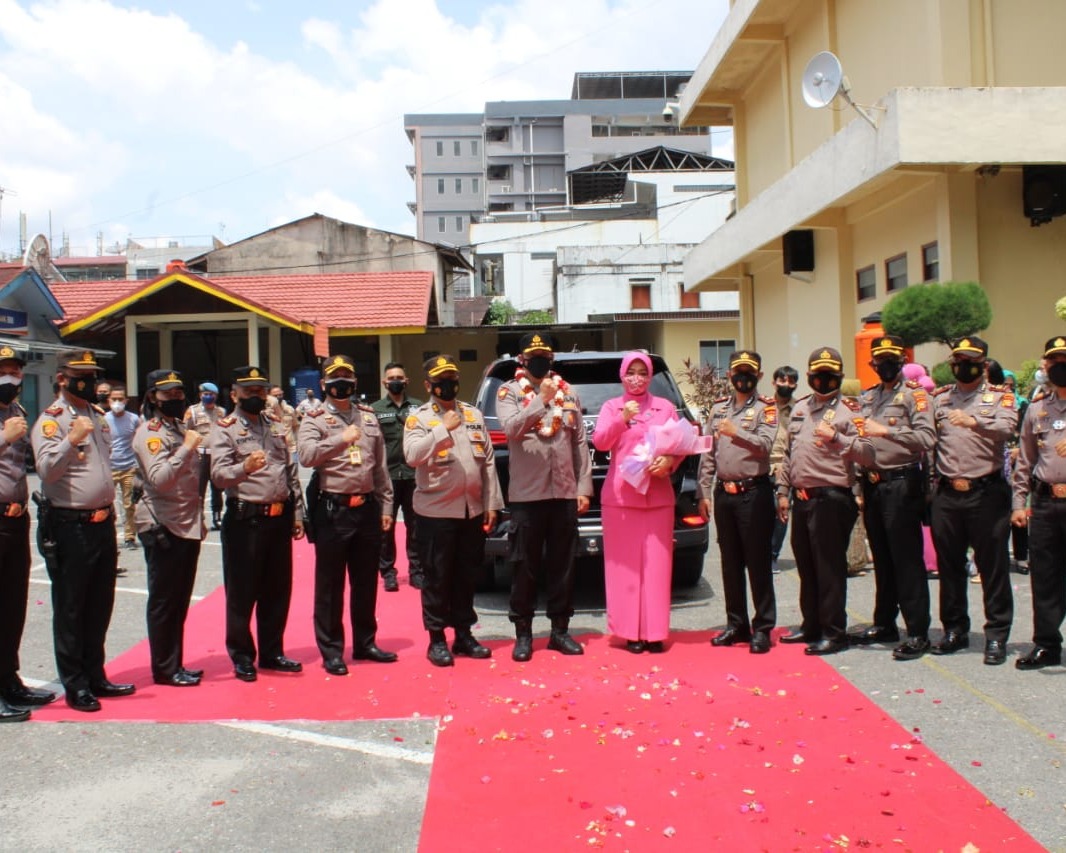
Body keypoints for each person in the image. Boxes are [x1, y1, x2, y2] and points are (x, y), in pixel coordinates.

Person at [31, 350, 136, 712]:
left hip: (102, 521)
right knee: (72, 608)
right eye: (81, 375)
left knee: (99, 604)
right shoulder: (52, 420)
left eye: (93, 375)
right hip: (69, 525)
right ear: (62, 378)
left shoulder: (98, 416)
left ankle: (96, 674)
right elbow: (46, 470)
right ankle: (75, 684)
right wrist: (71, 439)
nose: (89, 381)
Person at [496, 332, 593, 661]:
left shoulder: (569, 393)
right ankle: (523, 633)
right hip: (527, 495)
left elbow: (579, 442)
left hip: (564, 492)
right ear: (522, 360)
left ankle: (560, 631)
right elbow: (510, 429)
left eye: (545, 355)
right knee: (525, 567)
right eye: (533, 355)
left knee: (563, 566)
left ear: (551, 359)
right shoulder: (508, 391)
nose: (540, 360)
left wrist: (584, 487)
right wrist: (540, 400)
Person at [298, 355, 396, 676]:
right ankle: (332, 650)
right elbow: (307, 457)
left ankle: (366, 642)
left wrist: (386, 506)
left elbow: (380, 467)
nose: (342, 382)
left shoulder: (368, 416)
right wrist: (340, 439)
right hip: (333, 510)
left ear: (355, 382)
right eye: (335, 377)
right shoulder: (313, 418)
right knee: (330, 585)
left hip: (366, 508)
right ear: (323, 384)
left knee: (365, 581)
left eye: (347, 377)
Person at [403, 355, 502, 667]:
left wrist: (491, 503)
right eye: (440, 379)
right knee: (437, 578)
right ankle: (436, 639)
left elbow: (487, 461)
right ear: (428, 385)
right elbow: (411, 456)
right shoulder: (418, 418)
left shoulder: (472, 414)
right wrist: (441, 430)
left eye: (451, 377)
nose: (447, 384)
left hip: (470, 511)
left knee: (465, 576)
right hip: (435, 513)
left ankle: (463, 634)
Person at [209, 365, 305, 683]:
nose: (256, 395)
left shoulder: (275, 425)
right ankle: (242, 656)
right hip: (245, 520)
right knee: (242, 593)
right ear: (234, 393)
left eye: (261, 390)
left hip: (278, 518)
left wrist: (297, 513)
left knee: (277, 591)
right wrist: (244, 468)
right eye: (249, 390)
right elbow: (219, 476)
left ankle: (272, 652)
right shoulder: (225, 428)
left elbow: (290, 473)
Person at [776, 347, 873, 655]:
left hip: (832, 498)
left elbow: (869, 454)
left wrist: (837, 438)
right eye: (818, 375)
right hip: (802, 498)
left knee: (829, 568)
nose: (823, 380)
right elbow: (789, 454)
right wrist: (782, 491)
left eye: (830, 375)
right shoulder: (801, 408)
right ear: (808, 377)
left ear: (840, 378)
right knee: (806, 565)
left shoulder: (851, 411)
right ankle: (811, 625)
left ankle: (834, 631)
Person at [929, 336, 1016, 665]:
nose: (963, 366)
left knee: (993, 566)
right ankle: (954, 628)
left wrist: (975, 421)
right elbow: (929, 443)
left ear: (982, 364)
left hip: (986, 493)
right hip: (949, 492)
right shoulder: (940, 399)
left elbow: (1008, 429)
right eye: (959, 360)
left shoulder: (999, 397)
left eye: (971, 360)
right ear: (952, 364)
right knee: (949, 564)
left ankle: (996, 634)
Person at [850, 335, 936, 661]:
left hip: (902, 483)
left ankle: (917, 631)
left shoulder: (916, 397)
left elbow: (927, 438)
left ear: (901, 363)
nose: (886, 365)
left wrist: (886, 432)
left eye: (892, 360)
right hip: (873, 484)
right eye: (880, 360)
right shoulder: (867, 398)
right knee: (882, 560)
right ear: (873, 365)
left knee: (906, 560)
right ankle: (884, 622)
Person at [697, 350, 777, 654]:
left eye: (749, 372)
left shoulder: (766, 408)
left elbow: (765, 446)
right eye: (737, 371)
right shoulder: (718, 409)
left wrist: (738, 432)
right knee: (730, 564)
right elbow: (708, 453)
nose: (743, 376)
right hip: (724, 494)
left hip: (754, 492)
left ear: (758, 376)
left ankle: (763, 627)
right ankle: (736, 624)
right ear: (729, 375)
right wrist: (704, 492)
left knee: (757, 563)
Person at [132, 369, 205, 687]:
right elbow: (160, 479)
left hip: (185, 524)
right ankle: (164, 668)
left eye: (178, 393)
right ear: (152, 397)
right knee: (164, 601)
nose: (175, 398)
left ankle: (175, 662)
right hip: (163, 524)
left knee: (179, 599)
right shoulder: (151, 432)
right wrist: (187, 448)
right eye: (167, 394)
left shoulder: (177, 426)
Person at [0, 345, 56, 721]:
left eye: (16, 370)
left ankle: (9, 679)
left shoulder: (17, 410)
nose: (11, 377)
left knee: (13, 603)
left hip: (16, 517)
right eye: (4, 370)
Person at [1011, 336, 1066, 670]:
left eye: (1065, 359)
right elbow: (1024, 461)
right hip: (1045, 504)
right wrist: (1019, 502)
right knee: (1044, 577)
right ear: (1045, 366)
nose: (1059, 365)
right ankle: (1046, 644)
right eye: (1054, 360)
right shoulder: (1037, 408)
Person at [371, 362, 424, 592]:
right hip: (387, 478)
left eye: (399, 377)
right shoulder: (374, 409)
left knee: (416, 527)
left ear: (406, 381)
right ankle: (388, 573)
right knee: (385, 528)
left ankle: (416, 571)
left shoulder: (419, 408)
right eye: (391, 377)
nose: (395, 380)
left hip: (414, 475)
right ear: (384, 382)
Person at [105, 384, 141, 551]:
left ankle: (129, 536)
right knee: (106, 505)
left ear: (126, 400)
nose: (117, 402)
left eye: (120, 399)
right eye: (114, 399)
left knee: (129, 504)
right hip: (109, 467)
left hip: (129, 467)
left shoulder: (134, 419)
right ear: (108, 400)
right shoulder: (103, 419)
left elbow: (139, 441)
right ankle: (108, 538)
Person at [768, 366, 798, 568]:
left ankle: (772, 554)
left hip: (788, 466)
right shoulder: (764, 406)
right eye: (782, 381)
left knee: (782, 511)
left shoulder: (799, 410)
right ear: (774, 382)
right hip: (763, 465)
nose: (786, 385)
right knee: (761, 512)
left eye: (790, 382)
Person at [184, 382, 225, 529]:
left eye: (211, 394)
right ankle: (198, 515)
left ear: (216, 396)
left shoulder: (221, 412)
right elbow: (186, 432)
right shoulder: (192, 411)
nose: (208, 396)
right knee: (199, 488)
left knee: (217, 487)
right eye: (205, 394)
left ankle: (217, 516)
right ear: (200, 395)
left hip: (216, 455)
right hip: (200, 455)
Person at [269, 385, 299, 461]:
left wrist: (297, 443)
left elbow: (295, 426)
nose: (278, 397)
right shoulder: (266, 412)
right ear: (270, 396)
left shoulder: (290, 409)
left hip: (291, 449)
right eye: (275, 395)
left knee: (293, 471)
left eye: (280, 394)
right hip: (274, 450)